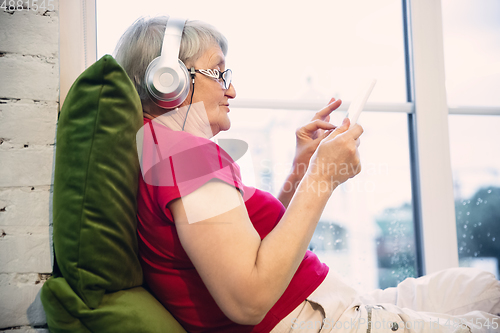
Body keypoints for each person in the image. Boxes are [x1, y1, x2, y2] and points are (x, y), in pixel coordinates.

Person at [113, 16, 500, 333]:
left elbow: (247, 245)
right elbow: (247, 300)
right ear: (169, 78)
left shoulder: (166, 150)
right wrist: (323, 177)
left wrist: (301, 170)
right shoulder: (186, 155)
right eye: (219, 73)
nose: (232, 89)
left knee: (482, 289)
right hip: (313, 318)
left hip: (324, 304)